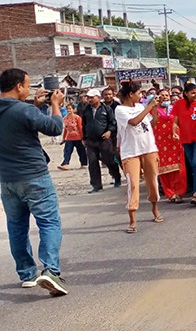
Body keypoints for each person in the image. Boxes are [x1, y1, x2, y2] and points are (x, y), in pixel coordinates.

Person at [0, 68, 68, 296]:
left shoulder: (21, 109)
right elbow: (55, 128)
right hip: (34, 176)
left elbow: (15, 123)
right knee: (49, 222)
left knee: (16, 227)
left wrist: (36, 106)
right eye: (27, 86)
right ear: (19, 85)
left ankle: (27, 274)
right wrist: (56, 104)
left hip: (7, 179)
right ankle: (50, 271)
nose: (29, 90)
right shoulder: (24, 110)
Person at [115, 81, 163, 233]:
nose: (141, 96)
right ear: (131, 94)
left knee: (153, 182)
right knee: (133, 185)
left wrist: (154, 109)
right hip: (130, 152)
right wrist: (149, 106)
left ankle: (155, 208)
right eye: (139, 93)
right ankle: (132, 218)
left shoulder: (141, 107)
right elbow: (134, 122)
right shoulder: (120, 110)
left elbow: (152, 123)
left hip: (148, 148)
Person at [172, 83, 196, 205]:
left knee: (195, 162)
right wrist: (174, 132)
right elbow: (175, 121)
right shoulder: (178, 104)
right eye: (193, 93)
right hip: (185, 138)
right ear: (186, 93)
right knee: (194, 165)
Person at [80, 88, 122, 193]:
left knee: (109, 160)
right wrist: (84, 137)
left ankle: (116, 177)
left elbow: (113, 122)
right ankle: (96, 185)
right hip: (91, 140)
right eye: (88, 98)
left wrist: (109, 131)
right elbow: (84, 124)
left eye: (92, 97)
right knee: (93, 162)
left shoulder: (106, 109)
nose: (89, 99)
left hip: (104, 139)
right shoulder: (86, 110)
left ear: (98, 98)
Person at [151, 89, 187, 203]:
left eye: (167, 95)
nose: (165, 97)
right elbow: (152, 124)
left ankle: (179, 192)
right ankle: (170, 193)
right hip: (160, 143)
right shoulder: (153, 110)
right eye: (162, 95)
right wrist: (154, 107)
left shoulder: (174, 109)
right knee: (164, 170)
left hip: (175, 141)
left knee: (178, 169)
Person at [58, 104, 87, 170]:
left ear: (74, 110)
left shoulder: (77, 118)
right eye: (67, 109)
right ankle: (65, 164)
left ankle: (84, 164)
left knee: (81, 151)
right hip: (69, 138)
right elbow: (66, 129)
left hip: (78, 138)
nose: (68, 110)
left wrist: (83, 138)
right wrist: (64, 138)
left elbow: (80, 128)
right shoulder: (65, 118)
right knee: (67, 151)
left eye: (70, 109)